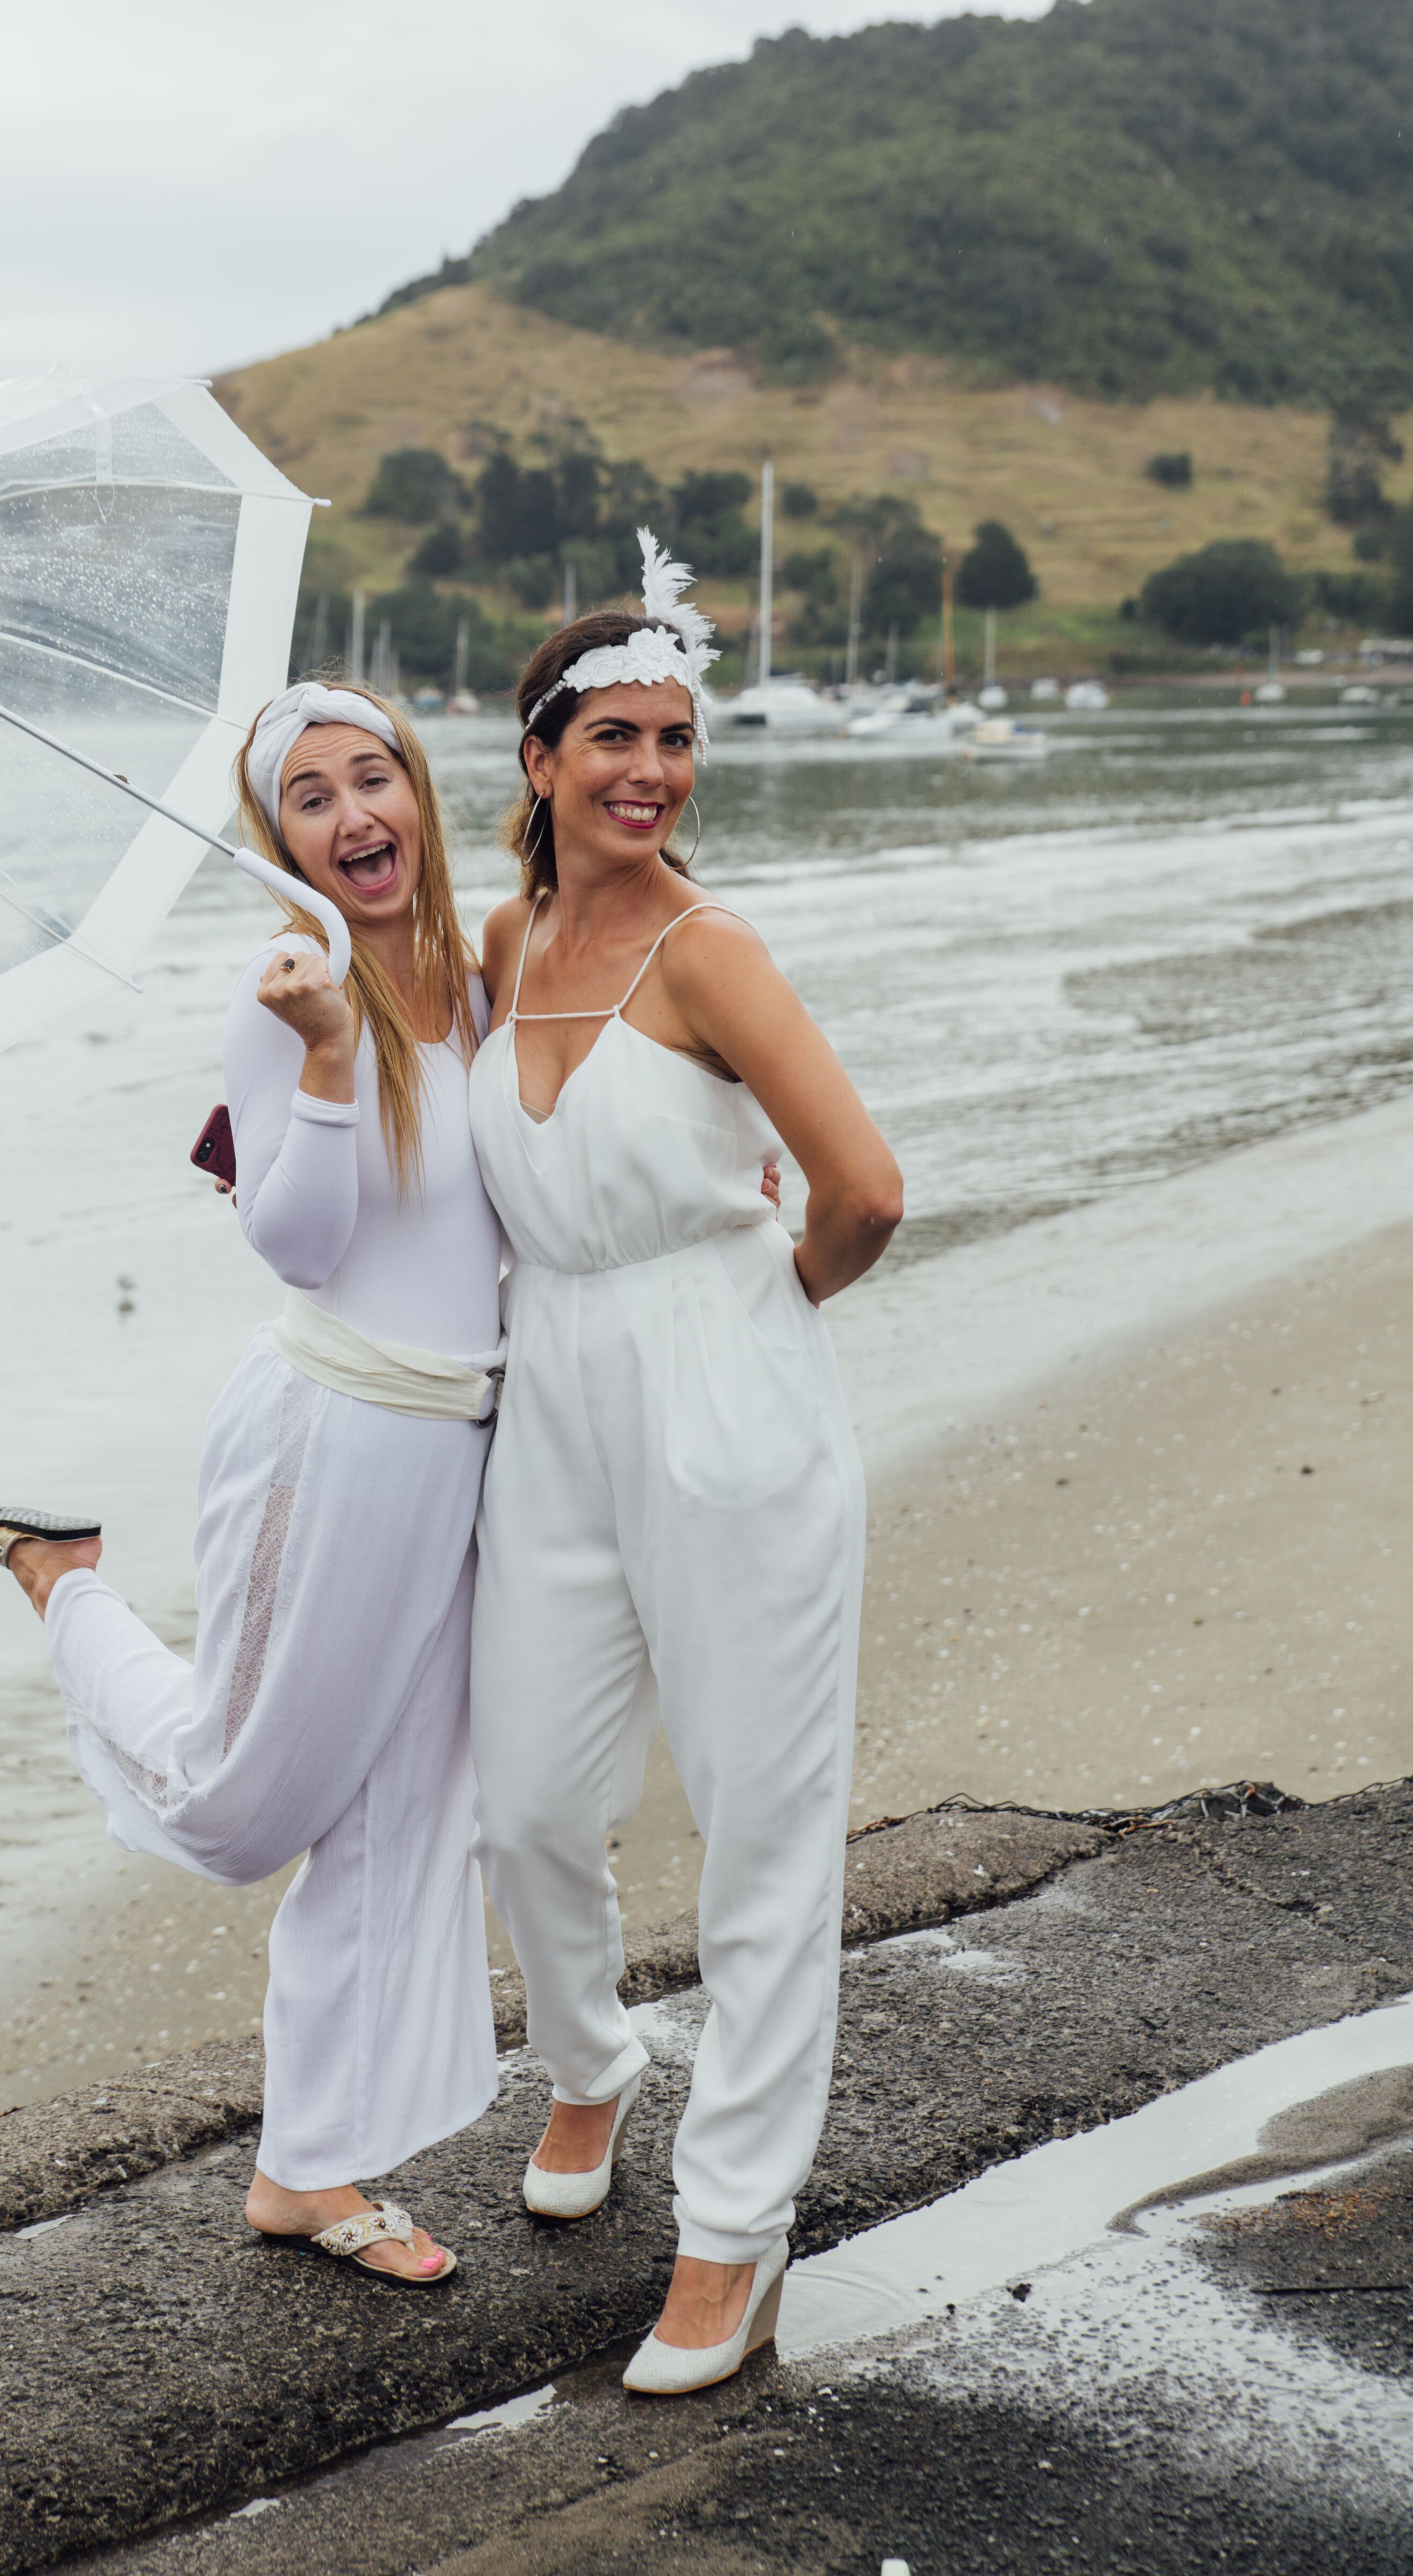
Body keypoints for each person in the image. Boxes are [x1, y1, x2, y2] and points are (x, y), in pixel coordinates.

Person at [0, 682, 505, 2285]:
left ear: (418, 791)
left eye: (375, 779)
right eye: (313, 798)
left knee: (401, 1817)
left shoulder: (485, 978)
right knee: (241, 1805)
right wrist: (332, 1054)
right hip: (329, 1437)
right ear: (276, 843)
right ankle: (64, 1585)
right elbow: (296, 1242)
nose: (356, 818)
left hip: (469, 1454)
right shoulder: (288, 995)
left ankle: (311, 2171)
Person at [468, 534, 902, 2395]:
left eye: (676, 739)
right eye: (614, 739)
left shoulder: (711, 949)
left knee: (761, 1837)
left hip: (724, 1376)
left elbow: (869, 1191)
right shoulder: (503, 944)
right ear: (543, 763)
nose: (651, 771)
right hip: (549, 1390)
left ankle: (734, 2234)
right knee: (532, 1799)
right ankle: (592, 2063)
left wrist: (766, 1310)